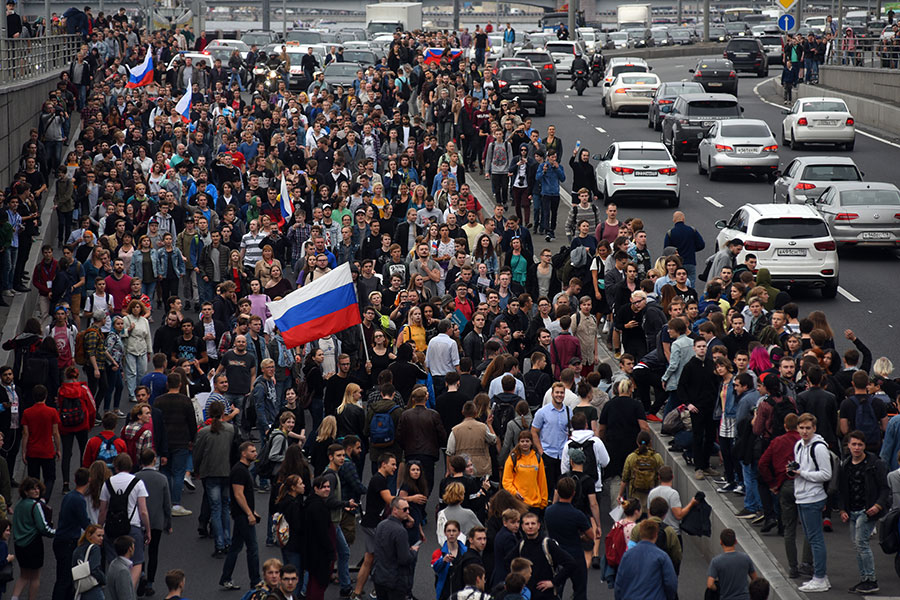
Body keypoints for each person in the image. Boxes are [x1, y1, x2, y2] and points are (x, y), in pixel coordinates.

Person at [837, 430, 889, 594]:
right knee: (857, 545)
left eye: (860, 444)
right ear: (849, 446)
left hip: (867, 511)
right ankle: (865, 579)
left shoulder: (874, 463)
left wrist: (878, 505)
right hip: (852, 510)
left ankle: (871, 579)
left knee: (861, 544)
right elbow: (842, 489)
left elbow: (884, 487)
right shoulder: (845, 465)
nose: (857, 448)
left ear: (865, 446)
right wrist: (843, 509)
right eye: (854, 444)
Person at [790, 413, 832, 593]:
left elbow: (826, 474)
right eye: (802, 428)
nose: (805, 431)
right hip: (801, 496)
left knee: (815, 539)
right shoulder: (799, 445)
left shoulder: (819, 448)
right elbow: (802, 468)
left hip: (813, 497)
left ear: (814, 428)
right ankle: (820, 576)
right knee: (811, 537)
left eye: (808, 428)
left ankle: (820, 577)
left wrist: (802, 474)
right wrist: (794, 472)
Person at [98, 453, 151, 589]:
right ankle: (129, 591)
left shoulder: (107, 483)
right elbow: (143, 511)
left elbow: (103, 510)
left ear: (115, 467)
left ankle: (116, 589)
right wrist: (148, 530)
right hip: (132, 526)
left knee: (114, 561)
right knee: (137, 561)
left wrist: (99, 528)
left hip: (112, 527)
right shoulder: (138, 483)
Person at [154, 372, 197, 517]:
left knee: (165, 472)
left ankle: (164, 503)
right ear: (180, 384)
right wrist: (192, 439)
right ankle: (176, 504)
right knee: (179, 472)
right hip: (181, 440)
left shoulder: (159, 401)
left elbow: (156, 423)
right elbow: (192, 422)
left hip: (164, 442)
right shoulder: (185, 401)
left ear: (167, 384)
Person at [219, 441, 261, 590]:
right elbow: (238, 494)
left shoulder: (244, 470)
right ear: (243, 453)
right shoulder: (239, 470)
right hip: (242, 516)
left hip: (243, 514)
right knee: (253, 548)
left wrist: (253, 511)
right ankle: (255, 582)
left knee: (236, 547)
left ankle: (226, 577)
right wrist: (249, 513)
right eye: (252, 451)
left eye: (255, 451)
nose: (255, 453)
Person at [504, 512, 575, 600]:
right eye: (527, 524)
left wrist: (554, 582)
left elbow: (570, 563)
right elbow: (507, 561)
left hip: (546, 595)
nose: (530, 526)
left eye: (533, 523)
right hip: (527, 594)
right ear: (522, 527)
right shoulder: (522, 544)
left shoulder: (548, 544)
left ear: (538, 525)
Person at [543, 477, 593, 600]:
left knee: (556, 589)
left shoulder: (549, 512)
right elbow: (591, 536)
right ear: (573, 493)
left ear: (558, 492)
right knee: (580, 591)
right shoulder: (578, 515)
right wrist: (581, 536)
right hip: (575, 555)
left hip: (556, 555)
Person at [11, 478, 55, 600]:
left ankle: (14, 597)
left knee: (23, 575)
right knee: (35, 577)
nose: (36, 491)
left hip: (19, 545)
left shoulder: (19, 504)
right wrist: (55, 533)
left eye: (37, 488)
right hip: (33, 544)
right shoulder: (35, 506)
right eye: (32, 489)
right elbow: (43, 527)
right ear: (26, 491)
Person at [51, 467, 91, 600]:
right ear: (89, 481)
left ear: (75, 480)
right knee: (66, 579)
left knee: (64, 577)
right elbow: (84, 522)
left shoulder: (69, 496)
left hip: (61, 539)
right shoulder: (79, 500)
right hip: (68, 542)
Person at [614, 520, 677, 600]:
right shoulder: (662, 557)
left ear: (640, 533)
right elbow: (671, 583)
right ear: (656, 535)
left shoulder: (627, 555)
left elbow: (619, 582)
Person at [373, 497, 420, 600]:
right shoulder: (400, 531)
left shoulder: (381, 525)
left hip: (379, 577)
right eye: (404, 509)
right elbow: (404, 559)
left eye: (408, 509)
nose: (407, 512)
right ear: (394, 510)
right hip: (395, 581)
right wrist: (413, 552)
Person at [21, 384, 62, 498]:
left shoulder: (27, 412)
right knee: (49, 478)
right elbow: (55, 433)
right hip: (47, 450)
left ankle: (35, 497)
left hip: (33, 450)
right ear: (46, 396)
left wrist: (24, 452)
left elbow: (25, 434)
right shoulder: (52, 412)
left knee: (33, 478)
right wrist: (58, 449)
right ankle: (44, 498)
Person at [502, 430, 547, 512]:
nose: (525, 443)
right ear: (518, 443)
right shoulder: (513, 458)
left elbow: (542, 481)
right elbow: (506, 481)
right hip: (518, 503)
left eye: (527, 441)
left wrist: (544, 502)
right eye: (522, 441)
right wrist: (514, 492)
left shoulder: (537, 458)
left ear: (531, 443)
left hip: (535, 503)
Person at [707, 529, 758, 600]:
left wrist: (717, 589)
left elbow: (710, 584)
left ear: (721, 542)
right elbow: (755, 579)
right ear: (735, 541)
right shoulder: (745, 558)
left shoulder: (716, 561)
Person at [71, 524, 106, 600]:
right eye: (99, 536)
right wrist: (103, 579)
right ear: (89, 535)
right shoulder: (95, 548)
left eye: (102, 536)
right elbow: (94, 568)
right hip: (92, 587)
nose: (101, 538)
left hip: (80, 586)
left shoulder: (78, 548)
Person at [106, 535, 137, 600]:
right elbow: (125, 596)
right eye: (133, 546)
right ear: (130, 549)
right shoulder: (123, 571)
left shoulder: (114, 563)